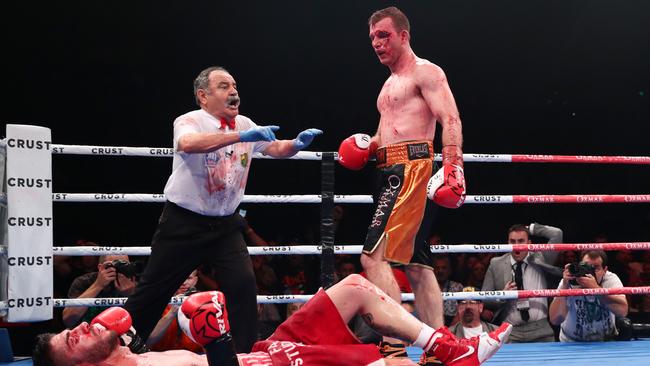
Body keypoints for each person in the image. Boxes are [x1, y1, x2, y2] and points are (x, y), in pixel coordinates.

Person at [122, 66, 322, 353]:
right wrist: (242, 138)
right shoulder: (191, 120)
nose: (233, 92)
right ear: (203, 96)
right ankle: (118, 347)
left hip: (225, 225)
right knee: (153, 291)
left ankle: (244, 355)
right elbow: (187, 144)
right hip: (183, 224)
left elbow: (276, 148)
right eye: (224, 86)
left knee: (243, 287)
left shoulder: (244, 123)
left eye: (235, 86)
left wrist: (296, 144)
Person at [337, 6, 466, 363]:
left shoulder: (425, 72)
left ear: (403, 35)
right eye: (373, 38)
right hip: (389, 170)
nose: (377, 43)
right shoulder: (389, 84)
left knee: (372, 258)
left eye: (384, 35)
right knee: (418, 264)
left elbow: (450, 117)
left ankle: (395, 347)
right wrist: (366, 146)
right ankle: (441, 349)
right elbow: (385, 133)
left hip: (409, 172)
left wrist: (454, 163)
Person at [33, 274, 512, 366]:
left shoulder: (130, 351)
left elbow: (161, 341)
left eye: (70, 327)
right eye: (71, 342)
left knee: (352, 287)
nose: (78, 328)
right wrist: (217, 343)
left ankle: (452, 349)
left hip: (259, 354)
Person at [481, 223, 563, 343]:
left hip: (541, 330)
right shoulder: (496, 263)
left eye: (521, 241)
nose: (517, 246)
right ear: (508, 243)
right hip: (510, 331)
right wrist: (502, 296)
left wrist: (531, 228)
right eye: (512, 241)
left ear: (529, 243)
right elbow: (484, 297)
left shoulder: (541, 257)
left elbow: (557, 233)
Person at [549, 250, 628, 341]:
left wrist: (596, 289)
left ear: (605, 270)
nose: (590, 273)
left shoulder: (610, 279)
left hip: (606, 342)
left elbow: (622, 311)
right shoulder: (570, 280)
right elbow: (555, 320)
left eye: (596, 268)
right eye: (587, 267)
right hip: (572, 343)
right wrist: (564, 287)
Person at [62, 255, 137, 328]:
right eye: (113, 266)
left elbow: (144, 322)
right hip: (88, 335)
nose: (118, 269)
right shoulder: (84, 281)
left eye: (123, 265)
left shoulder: (135, 282)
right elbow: (68, 321)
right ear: (100, 268)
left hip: (123, 334)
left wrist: (130, 295)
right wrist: (98, 285)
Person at [146, 270, 203, 352]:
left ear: (195, 280)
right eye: (180, 277)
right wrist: (172, 312)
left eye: (188, 278)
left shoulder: (204, 301)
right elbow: (148, 341)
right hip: (161, 357)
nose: (184, 282)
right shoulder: (155, 301)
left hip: (195, 357)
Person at [433, 255, 464, 326]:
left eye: (444, 268)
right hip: (431, 323)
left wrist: (452, 328)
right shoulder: (426, 287)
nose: (440, 271)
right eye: (437, 268)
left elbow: (463, 308)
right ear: (433, 270)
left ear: (450, 270)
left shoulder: (458, 287)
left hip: (454, 324)